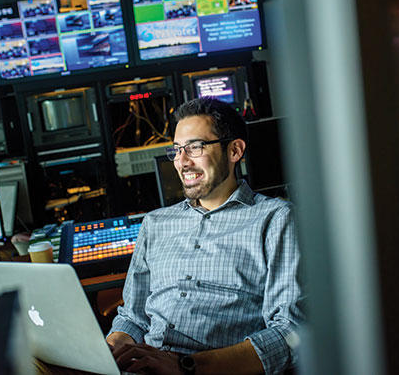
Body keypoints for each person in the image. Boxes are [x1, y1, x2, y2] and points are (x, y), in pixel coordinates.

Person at [106, 97, 305, 375]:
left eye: (195, 147)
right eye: (176, 150)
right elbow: (133, 317)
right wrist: (108, 352)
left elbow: (291, 333)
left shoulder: (276, 219)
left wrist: (185, 366)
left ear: (234, 150)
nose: (181, 162)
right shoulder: (155, 223)